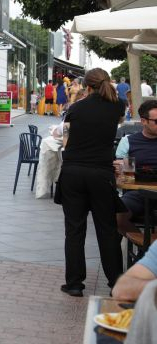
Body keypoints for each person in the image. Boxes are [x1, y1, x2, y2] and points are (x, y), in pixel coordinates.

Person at [58, 68, 125, 297]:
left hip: (73, 172)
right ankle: (116, 282)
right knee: (107, 229)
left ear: (87, 86)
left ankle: (75, 283)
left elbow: (65, 141)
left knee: (74, 229)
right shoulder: (118, 105)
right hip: (101, 173)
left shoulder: (75, 109)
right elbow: (117, 123)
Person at [114, 100, 157, 233]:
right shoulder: (128, 141)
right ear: (144, 121)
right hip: (137, 193)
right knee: (117, 216)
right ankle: (144, 249)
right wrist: (118, 168)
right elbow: (120, 168)